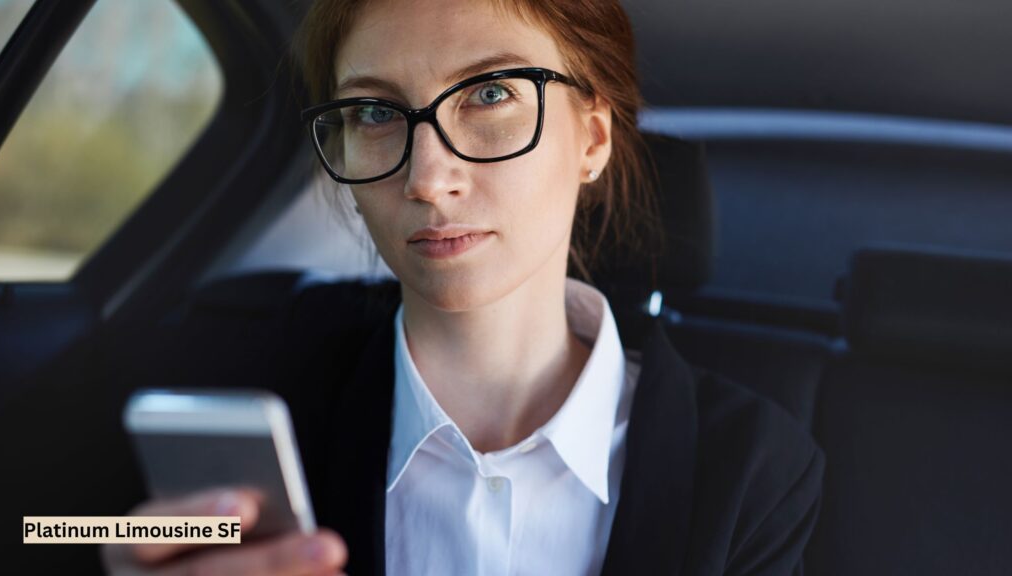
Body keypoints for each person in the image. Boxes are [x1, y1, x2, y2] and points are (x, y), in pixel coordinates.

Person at [104, 0, 825, 574]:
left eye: (488, 93)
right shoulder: (241, 379)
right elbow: (46, 529)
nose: (426, 179)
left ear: (595, 137)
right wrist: (114, 554)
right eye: (377, 113)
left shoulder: (752, 467)